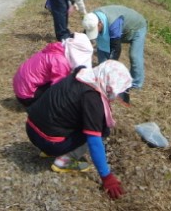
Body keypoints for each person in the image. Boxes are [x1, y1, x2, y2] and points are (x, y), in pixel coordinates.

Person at [25, 60, 131, 200]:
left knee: (77, 118)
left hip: (31, 127)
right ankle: (64, 161)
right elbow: (94, 141)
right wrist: (107, 177)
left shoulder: (82, 74)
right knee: (102, 130)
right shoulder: (92, 98)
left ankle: (50, 149)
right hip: (48, 141)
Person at [12, 33, 93, 107]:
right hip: (27, 97)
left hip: (20, 88)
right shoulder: (61, 61)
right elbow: (58, 90)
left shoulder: (58, 47)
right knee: (65, 87)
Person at [82, 5, 147, 97]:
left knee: (134, 55)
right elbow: (84, 38)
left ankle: (136, 84)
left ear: (100, 23)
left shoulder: (113, 23)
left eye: (95, 30)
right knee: (103, 66)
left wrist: (110, 65)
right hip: (120, 29)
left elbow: (116, 49)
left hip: (136, 27)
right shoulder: (91, 19)